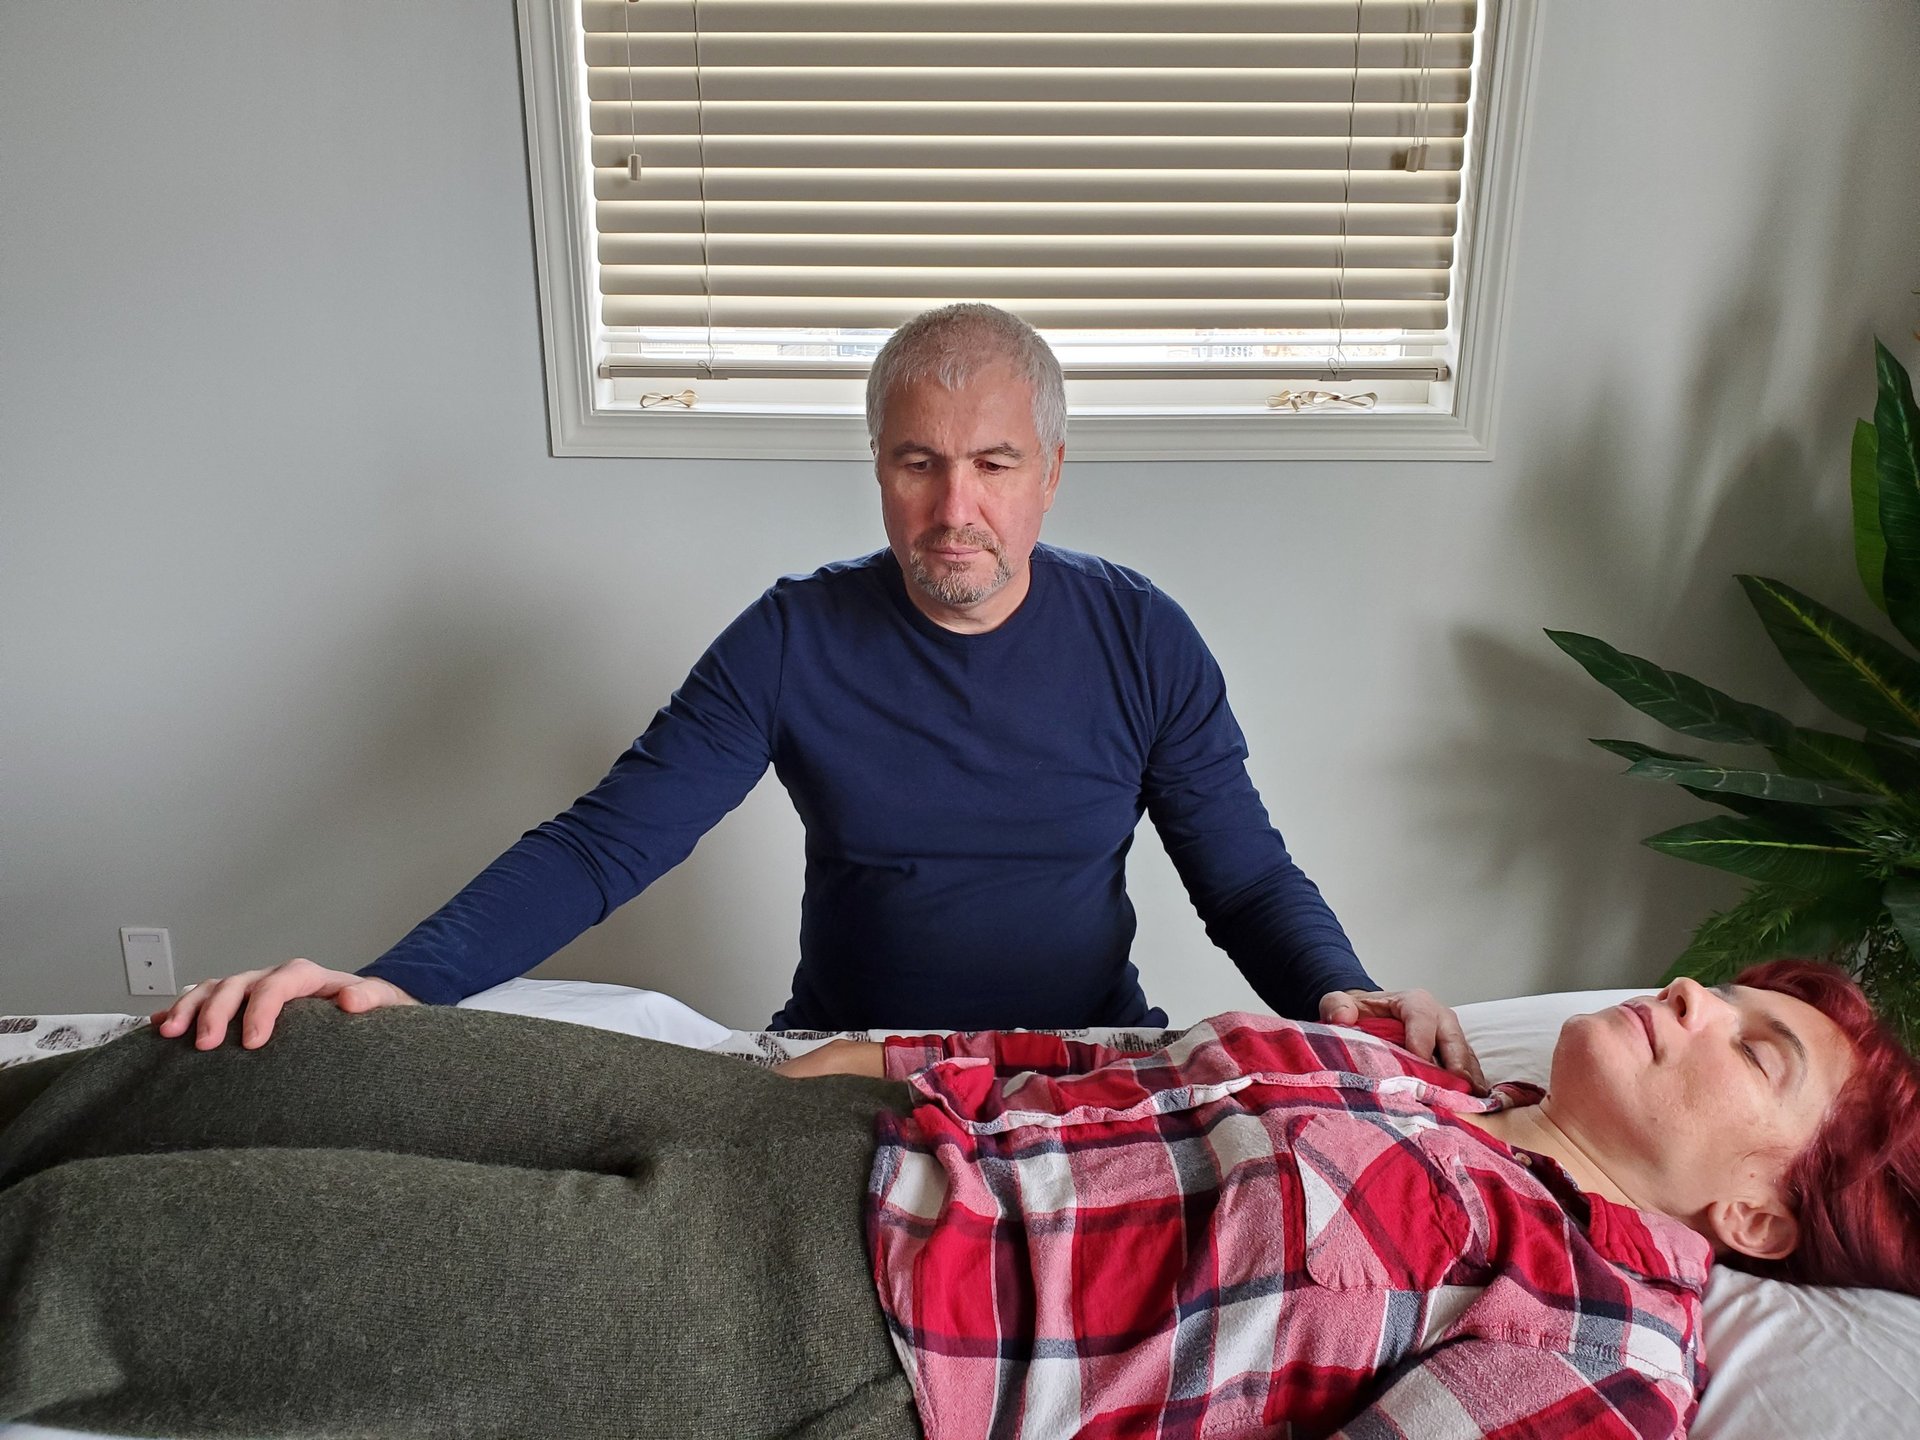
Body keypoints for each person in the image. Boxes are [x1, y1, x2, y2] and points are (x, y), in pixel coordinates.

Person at [149, 303, 1483, 1083]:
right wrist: (398, 985)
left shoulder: (1144, 639)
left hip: (1079, 1067)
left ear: (1052, 474)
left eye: (993, 464)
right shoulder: (791, 639)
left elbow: (1244, 882)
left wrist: (1342, 997)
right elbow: (609, 844)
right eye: (916, 462)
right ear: (876, 465)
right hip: (846, 1073)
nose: (953, 508)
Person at [3, 963, 1915, 1438]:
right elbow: (1114, 1067)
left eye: (1756, 1054)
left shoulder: (1599, 1338)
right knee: (256, 1057)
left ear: (1754, 1222)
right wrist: (886, 1067)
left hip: (832, 1333)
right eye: (1734, 993)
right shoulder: (1427, 1071)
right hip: (815, 1132)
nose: (1695, 1001)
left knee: (113, 1261)